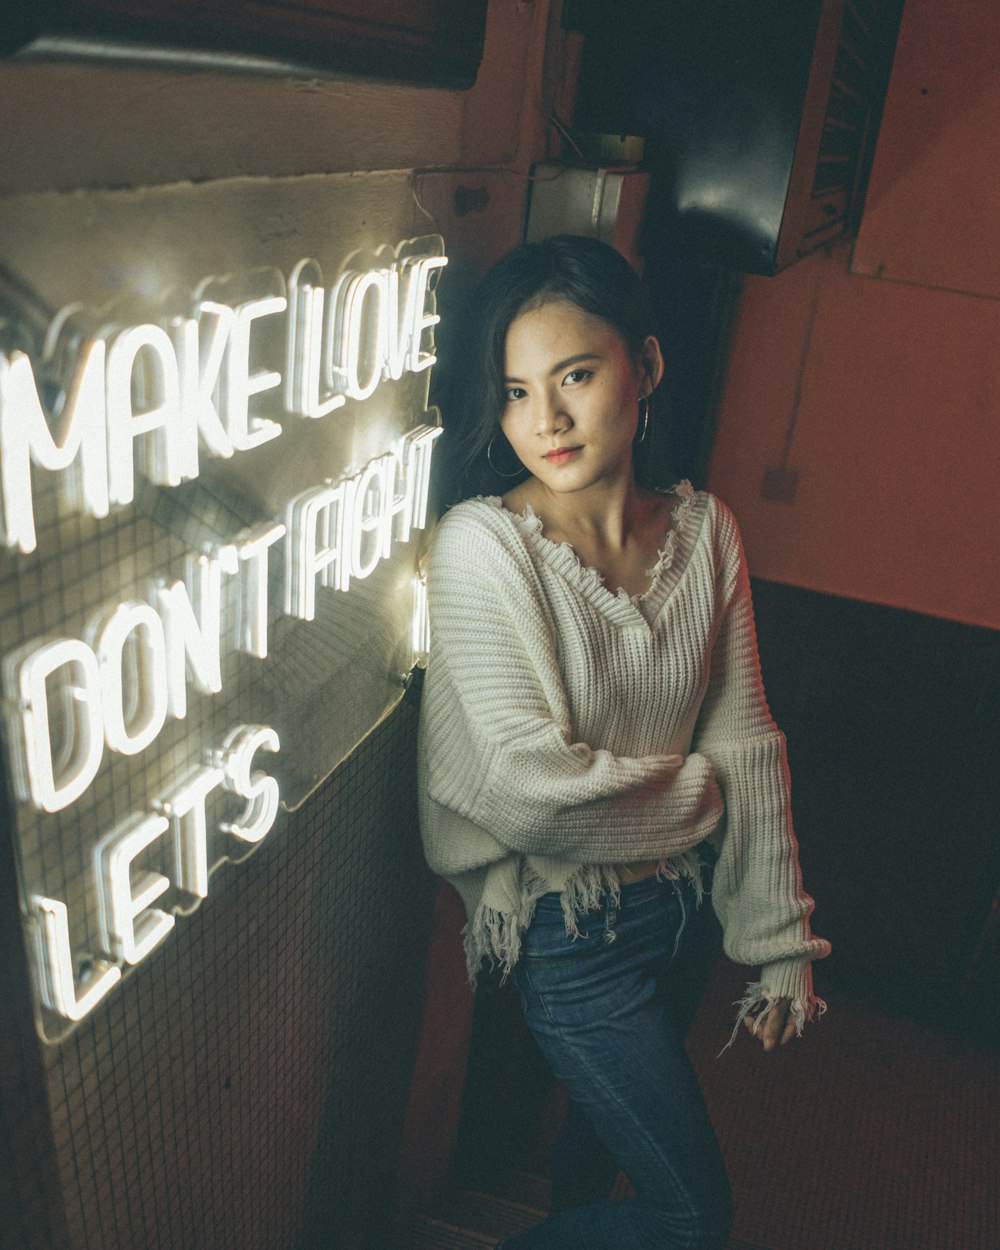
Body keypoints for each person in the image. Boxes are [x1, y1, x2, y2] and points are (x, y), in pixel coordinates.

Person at [417, 234, 830, 1249]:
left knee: (597, 1161)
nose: (544, 419)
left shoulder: (708, 532)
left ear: (643, 367)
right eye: (515, 391)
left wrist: (779, 946)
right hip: (574, 933)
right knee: (691, 1215)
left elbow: (747, 734)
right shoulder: (483, 546)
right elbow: (526, 789)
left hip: (682, 911)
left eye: (574, 376)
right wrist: (701, 791)